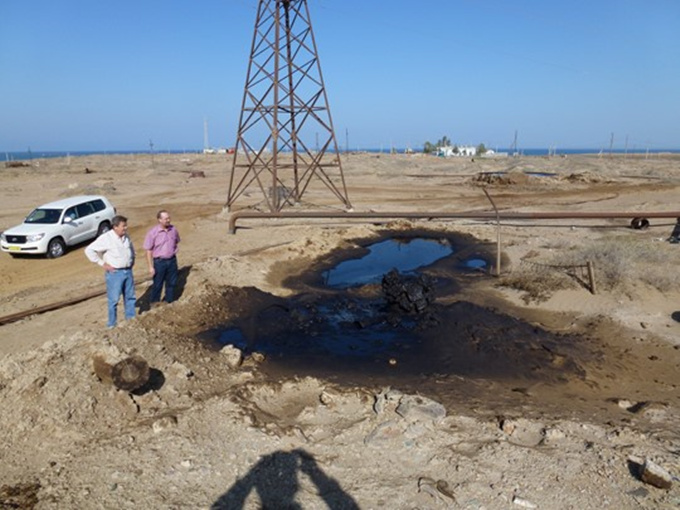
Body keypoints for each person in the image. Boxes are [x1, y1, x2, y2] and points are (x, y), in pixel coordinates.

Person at [85, 215, 136, 328]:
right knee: (113, 300)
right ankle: (112, 324)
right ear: (115, 227)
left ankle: (131, 321)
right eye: (123, 226)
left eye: (126, 225)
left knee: (130, 297)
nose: (126, 228)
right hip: (115, 274)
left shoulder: (126, 237)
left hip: (127, 271)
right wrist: (102, 264)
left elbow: (131, 249)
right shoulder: (106, 238)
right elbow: (89, 250)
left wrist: (132, 260)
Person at [143, 209, 180, 304]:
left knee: (172, 283)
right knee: (158, 284)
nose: (168, 220)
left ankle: (169, 302)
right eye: (166, 219)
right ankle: (155, 304)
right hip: (159, 262)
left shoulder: (173, 230)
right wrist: (150, 267)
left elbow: (176, 241)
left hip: (172, 260)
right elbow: (148, 250)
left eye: (169, 218)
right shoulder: (153, 233)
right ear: (159, 220)